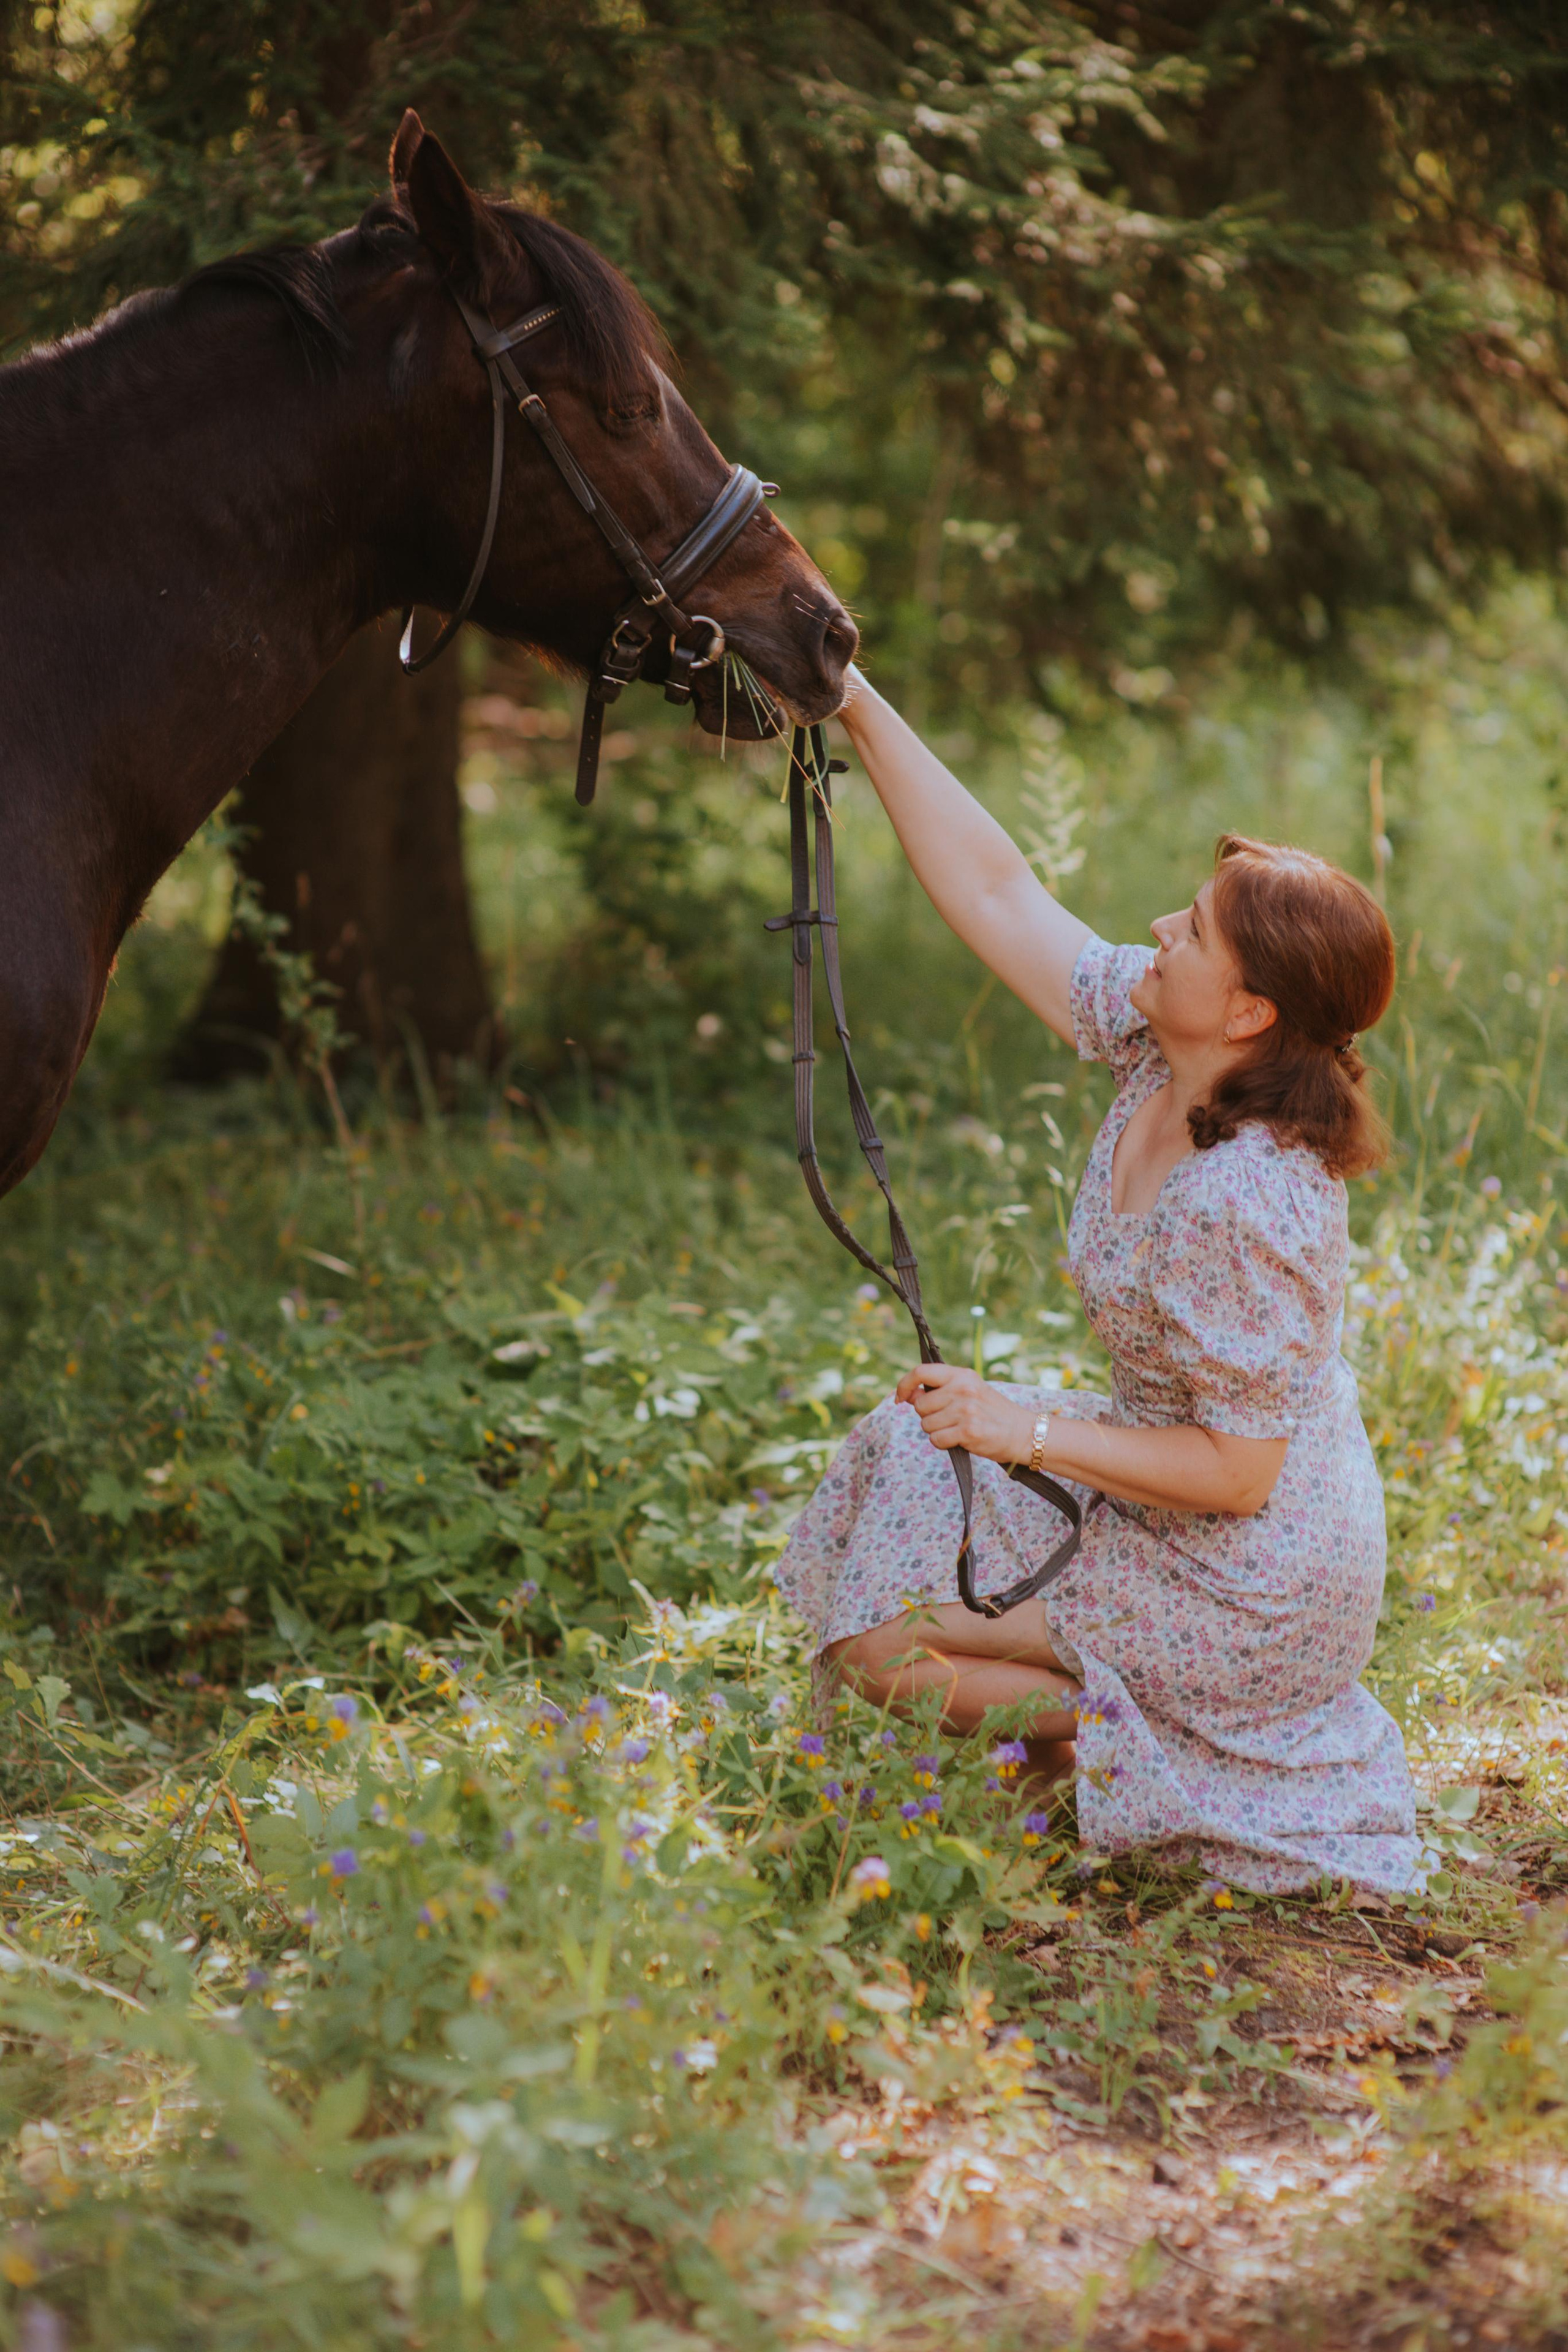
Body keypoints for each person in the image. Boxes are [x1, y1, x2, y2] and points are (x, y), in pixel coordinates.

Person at [775, 667, 1420, 1894]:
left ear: (1246, 1012)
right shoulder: (1158, 1041)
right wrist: (849, 699)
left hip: (1252, 1581)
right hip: (1168, 1505)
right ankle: (1078, 1750)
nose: (1162, 929)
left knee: (881, 1650)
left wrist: (1020, 1429)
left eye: (1193, 931)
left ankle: (1155, 1744)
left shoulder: (1247, 1199)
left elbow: (1240, 1474)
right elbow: (997, 890)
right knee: (911, 1456)